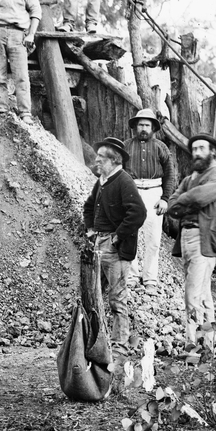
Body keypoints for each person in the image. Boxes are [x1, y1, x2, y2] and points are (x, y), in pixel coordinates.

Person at [159, 133, 216, 355]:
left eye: (202, 148)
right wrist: (186, 201)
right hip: (187, 237)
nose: (197, 153)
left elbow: (199, 197)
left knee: (192, 294)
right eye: (194, 149)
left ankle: (194, 345)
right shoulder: (189, 179)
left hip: (206, 239)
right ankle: (206, 344)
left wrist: (185, 201)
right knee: (204, 294)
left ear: (212, 152)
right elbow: (172, 205)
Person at [82, 136, 147, 352]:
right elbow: (89, 206)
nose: (97, 160)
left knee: (117, 298)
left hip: (114, 247)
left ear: (114, 160)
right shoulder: (102, 181)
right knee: (93, 293)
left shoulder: (123, 180)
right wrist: (91, 230)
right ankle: (97, 340)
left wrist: (118, 236)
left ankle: (120, 343)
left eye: (101, 157)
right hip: (99, 243)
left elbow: (138, 213)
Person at [125, 108, 176, 297]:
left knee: (153, 240)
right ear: (135, 127)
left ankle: (150, 280)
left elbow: (170, 175)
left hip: (154, 193)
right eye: (141, 125)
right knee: (130, 236)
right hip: (132, 192)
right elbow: (118, 173)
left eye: (147, 125)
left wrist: (165, 199)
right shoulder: (126, 146)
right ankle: (131, 278)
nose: (144, 128)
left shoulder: (161, 147)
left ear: (153, 127)